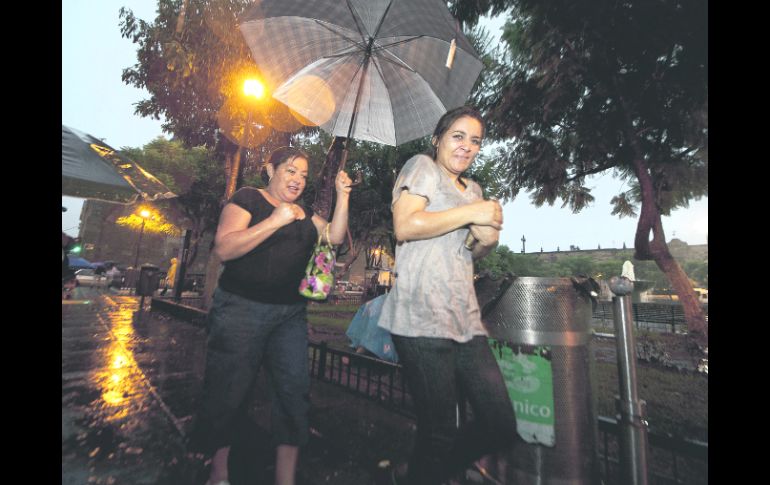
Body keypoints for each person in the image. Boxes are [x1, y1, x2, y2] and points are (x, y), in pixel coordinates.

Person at [189, 146, 351, 485]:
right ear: (270, 169)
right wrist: (274, 221)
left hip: (289, 316)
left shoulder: (304, 214)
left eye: (304, 175)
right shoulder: (248, 198)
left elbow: (334, 237)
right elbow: (225, 248)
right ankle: (218, 473)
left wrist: (342, 195)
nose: (298, 180)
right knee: (228, 392)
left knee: (294, 391)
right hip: (239, 309)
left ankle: (285, 479)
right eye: (291, 170)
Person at [377, 106, 517, 484]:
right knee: (439, 429)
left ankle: (419, 474)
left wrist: (486, 240)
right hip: (420, 315)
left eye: (475, 141)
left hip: (464, 317)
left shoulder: (473, 190)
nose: (467, 146)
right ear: (437, 139)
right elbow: (405, 226)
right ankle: (425, 474)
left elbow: (466, 253)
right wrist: (474, 213)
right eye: (458, 136)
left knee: (500, 423)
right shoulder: (422, 166)